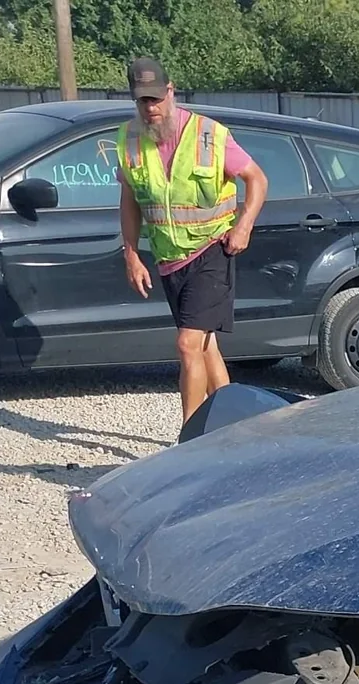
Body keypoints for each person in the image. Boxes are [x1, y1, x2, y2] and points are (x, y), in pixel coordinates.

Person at [115, 57, 268, 423]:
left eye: (156, 98)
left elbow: (257, 179)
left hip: (212, 250)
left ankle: (190, 435)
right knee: (205, 346)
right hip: (169, 259)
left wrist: (244, 226)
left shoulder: (209, 135)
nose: (150, 107)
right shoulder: (130, 139)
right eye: (143, 100)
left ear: (171, 91)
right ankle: (235, 425)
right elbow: (130, 200)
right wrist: (131, 254)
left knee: (187, 345)